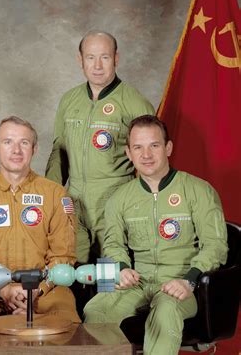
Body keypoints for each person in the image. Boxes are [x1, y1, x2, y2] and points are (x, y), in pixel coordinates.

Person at [83, 115, 228, 354]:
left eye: (154, 145)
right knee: (95, 310)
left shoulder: (199, 191)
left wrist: (189, 280)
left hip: (179, 283)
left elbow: (216, 246)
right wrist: (120, 269)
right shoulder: (119, 198)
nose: (146, 155)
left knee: (165, 311)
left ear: (168, 148)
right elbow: (112, 243)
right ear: (128, 153)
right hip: (137, 283)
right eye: (138, 147)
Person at [0, 116, 81, 324]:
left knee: (67, 323)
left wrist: (36, 290)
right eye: (8, 142)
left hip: (45, 289)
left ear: (35, 149)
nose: (16, 150)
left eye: (24, 143)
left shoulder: (55, 195)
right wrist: (3, 289)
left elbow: (63, 255)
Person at [46, 30, 155, 263]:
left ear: (116, 59)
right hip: (73, 206)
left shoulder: (135, 103)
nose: (97, 65)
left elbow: (151, 159)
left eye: (104, 57)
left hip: (114, 205)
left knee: (109, 279)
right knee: (72, 274)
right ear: (80, 60)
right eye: (90, 57)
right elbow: (59, 151)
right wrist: (51, 195)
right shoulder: (69, 100)